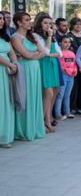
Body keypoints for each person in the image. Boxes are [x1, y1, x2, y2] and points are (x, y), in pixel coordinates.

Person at [11, 12, 46, 141]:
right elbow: (27, 55)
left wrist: (34, 54)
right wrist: (34, 54)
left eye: (30, 19)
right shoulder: (15, 38)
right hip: (24, 69)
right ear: (19, 22)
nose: (30, 22)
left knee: (35, 97)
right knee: (25, 97)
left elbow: (43, 52)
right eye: (26, 20)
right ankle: (23, 129)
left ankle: (34, 127)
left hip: (35, 69)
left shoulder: (32, 37)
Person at [33, 13, 60, 133]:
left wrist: (50, 37)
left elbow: (60, 53)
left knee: (53, 94)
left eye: (50, 23)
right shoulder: (35, 36)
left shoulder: (51, 36)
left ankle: (47, 121)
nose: (48, 25)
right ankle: (40, 122)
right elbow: (45, 51)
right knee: (47, 94)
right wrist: (49, 37)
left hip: (52, 65)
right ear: (39, 23)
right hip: (42, 65)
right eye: (45, 23)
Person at [0, 13, 18, 148]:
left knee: (6, 102)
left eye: (1, 18)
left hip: (6, 71)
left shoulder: (5, 36)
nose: (1, 21)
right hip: (3, 67)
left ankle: (5, 135)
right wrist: (10, 64)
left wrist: (15, 63)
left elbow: (11, 52)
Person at [54, 36, 77, 121]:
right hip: (63, 75)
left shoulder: (72, 53)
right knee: (60, 95)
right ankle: (57, 113)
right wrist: (62, 69)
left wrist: (75, 70)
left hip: (71, 76)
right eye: (65, 42)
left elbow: (74, 64)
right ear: (60, 43)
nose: (67, 44)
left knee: (67, 95)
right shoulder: (59, 53)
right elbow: (58, 64)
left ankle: (67, 111)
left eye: (68, 42)